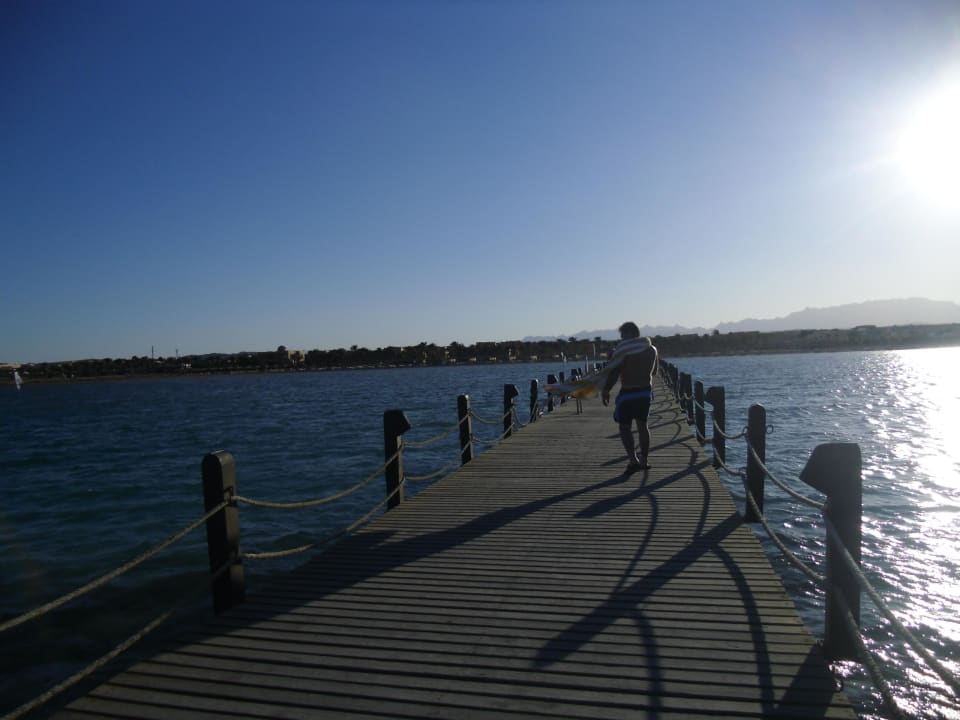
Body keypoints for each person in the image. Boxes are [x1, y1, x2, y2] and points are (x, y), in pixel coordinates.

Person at [601, 322, 658, 471]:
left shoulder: (623, 351)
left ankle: (633, 461)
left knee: (625, 427)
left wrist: (606, 389)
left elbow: (614, 372)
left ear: (629, 333)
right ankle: (644, 461)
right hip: (645, 392)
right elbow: (655, 372)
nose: (622, 338)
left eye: (623, 335)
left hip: (628, 393)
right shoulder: (652, 349)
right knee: (642, 426)